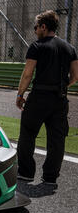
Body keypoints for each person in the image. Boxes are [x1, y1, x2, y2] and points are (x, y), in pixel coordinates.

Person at [16, 10, 78, 188]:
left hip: (39, 98)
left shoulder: (37, 46)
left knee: (27, 135)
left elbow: (27, 74)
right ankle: (50, 177)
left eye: (36, 27)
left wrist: (20, 94)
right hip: (60, 99)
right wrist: (61, 87)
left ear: (44, 26)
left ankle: (26, 173)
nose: (35, 31)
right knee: (57, 140)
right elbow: (75, 76)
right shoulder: (70, 48)